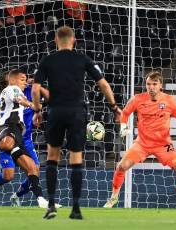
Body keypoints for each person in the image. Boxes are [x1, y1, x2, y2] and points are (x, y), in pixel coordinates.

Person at [32, 26, 121, 219]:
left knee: (52, 156)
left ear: (56, 40)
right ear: (73, 41)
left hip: (55, 111)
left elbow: (35, 89)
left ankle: (52, 205)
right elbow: (104, 84)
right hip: (76, 112)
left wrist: (38, 111)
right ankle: (76, 209)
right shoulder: (83, 59)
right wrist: (114, 107)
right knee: (76, 157)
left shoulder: (48, 60)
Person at [103, 71, 176, 210]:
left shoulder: (169, 100)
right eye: (148, 84)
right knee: (121, 166)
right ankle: (113, 197)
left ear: (161, 85)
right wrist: (123, 126)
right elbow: (125, 113)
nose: (151, 87)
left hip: (164, 145)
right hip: (142, 144)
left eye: (154, 84)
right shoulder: (137, 99)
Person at [0, 70, 56, 208]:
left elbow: (49, 97)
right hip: (9, 131)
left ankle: (21, 197)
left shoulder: (28, 90)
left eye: (25, 79)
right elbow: (19, 101)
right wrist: (33, 106)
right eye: (22, 79)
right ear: (10, 82)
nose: (25, 81)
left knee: (34, 168)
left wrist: (36, 85)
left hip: (24, 138)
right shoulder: (12, 91)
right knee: (8, 175)